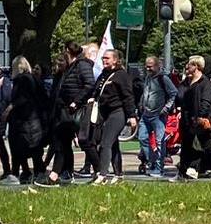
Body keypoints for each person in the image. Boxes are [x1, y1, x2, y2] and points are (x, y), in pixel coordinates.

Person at [88, 48, 139, 185]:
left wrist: (132, 116)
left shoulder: (121, 75)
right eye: (103, 58)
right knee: (113, 144)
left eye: (107, 58)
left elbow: (128, 96)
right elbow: (96, 90)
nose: (104, 60)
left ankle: (102, 174)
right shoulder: (104, 74)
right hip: (104, 113)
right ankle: (118, 174)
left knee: (105, 143)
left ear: (115, 60)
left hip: (118, 112)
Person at [49, 42, 96, 186]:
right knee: (62, 141)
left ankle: (100, 171)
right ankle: (56, 175)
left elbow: (89, 84)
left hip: (78, 110)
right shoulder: (70, 67)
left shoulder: (82, 65)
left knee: (85, 142)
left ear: (68, 51)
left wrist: (76, 101)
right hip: (67, 110)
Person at [177, 56, 211, 181]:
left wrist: (201, 116)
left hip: (201, 118)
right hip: (188, 118)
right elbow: (180, 97)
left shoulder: (205, 82)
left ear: (197, 66)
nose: (187, 67)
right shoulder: (187, 82)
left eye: (190, 64)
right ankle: (182, 173)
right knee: (186, 145)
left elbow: (206, 101)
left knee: (207, 144)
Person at [5, 56, 50, 184]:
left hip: (26, 119)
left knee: (22, 147)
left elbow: (23, 98)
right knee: (34, 149)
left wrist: (11, 106)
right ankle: (35, 172)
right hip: (35, 118)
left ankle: (27, 173)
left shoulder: (21, 79)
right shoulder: (34, 79)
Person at [135, 56, 177, 179]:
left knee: (160, 142)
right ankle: (152, 161)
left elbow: (173, 93)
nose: (148, 68)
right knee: (143, 138)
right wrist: (141, 105)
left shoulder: (163, 78)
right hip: (146, 114)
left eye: (150, 66)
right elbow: (145, 93)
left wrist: (166, 108)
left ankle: (159, 167)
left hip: (158, 115)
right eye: (146, 66)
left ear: (157, 66)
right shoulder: (147, 77)